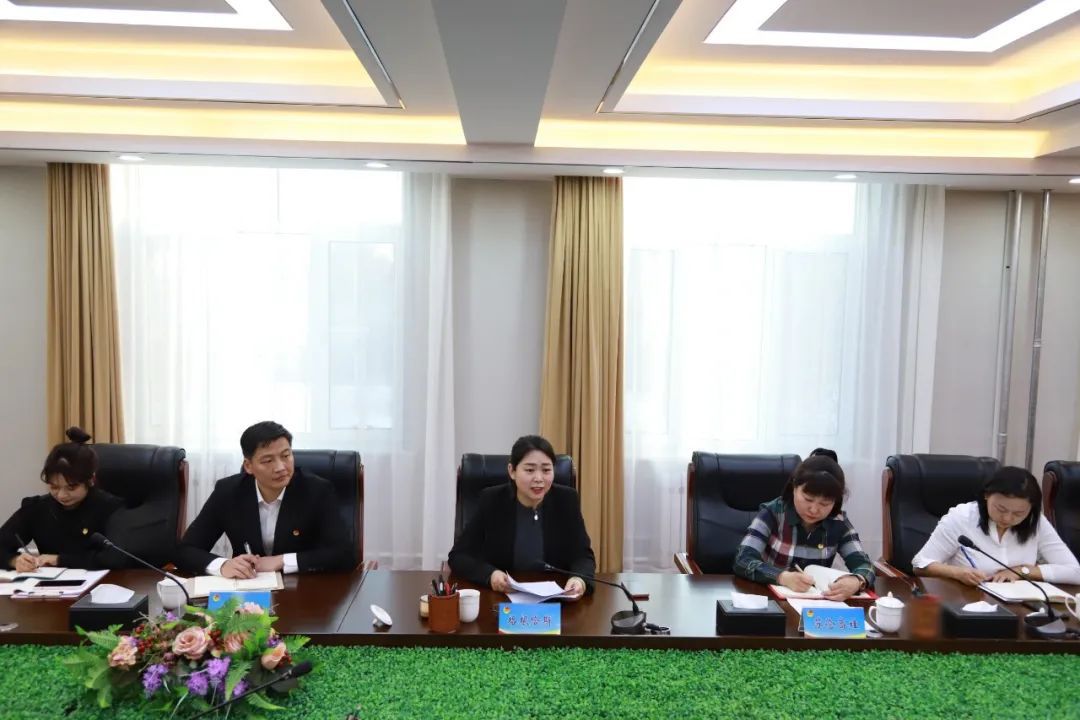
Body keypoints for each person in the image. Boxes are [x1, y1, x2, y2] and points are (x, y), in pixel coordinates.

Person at [175, 421, 355, 578]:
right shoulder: (228, 492)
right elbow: (185, 550)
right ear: (248, 466)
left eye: (286, 456)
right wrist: (223, 565)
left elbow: (344, 554)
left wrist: (282, 561)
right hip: (247, 590)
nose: (280, 467)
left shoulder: (317, 491)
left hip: (303, 590)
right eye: (268, 461)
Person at [448, 435, 595, 599]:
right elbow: (458, 556)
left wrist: (579, 580)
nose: (539, 478)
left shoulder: (566, 500)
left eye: (546, 470)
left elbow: (583, 556)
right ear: (512, 471)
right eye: (530, 470)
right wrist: (491, 575)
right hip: (502, 597)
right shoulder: (491, 500)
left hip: (556, 598)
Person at [733, 448, 875, 601]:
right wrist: (782, 577)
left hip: (817, 603)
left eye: (825, 504)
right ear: (794, 487)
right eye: (808, 499)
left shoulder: (838, 522)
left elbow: (864, 565)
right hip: (771, 600)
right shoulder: (773, 513)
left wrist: (857, 581)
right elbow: (742, 560)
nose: (814, 510)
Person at [912, 466, 1080, 586]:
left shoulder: (1036, 522)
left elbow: (1075, 572)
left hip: (1019, 605)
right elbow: (920, 564)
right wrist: (957, 573)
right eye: (1001, 509)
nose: (1007, 518)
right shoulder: (961, 517)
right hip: (967, 602)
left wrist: (1022, 571)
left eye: (1018, 513)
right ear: (987, 495)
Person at [0, 427, 124, 570]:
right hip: (48, 583)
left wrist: (60, 560)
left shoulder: (110, 507)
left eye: (71, 488)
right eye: (54, 487)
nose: (61, 495)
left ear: (90, 480)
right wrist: (14, 560)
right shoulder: (36, 508)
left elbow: (119, 557)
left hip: (105, 582)